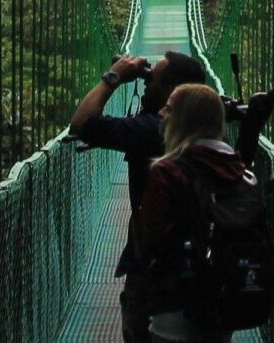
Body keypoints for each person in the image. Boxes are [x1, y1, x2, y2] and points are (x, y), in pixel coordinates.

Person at [69, 49, 211, 343]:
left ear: (172, 92)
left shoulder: (154, 133)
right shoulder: (207, 133)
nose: (145, 87)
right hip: (202, 265)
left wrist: (114, 78)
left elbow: (81, 124)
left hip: (154, 271)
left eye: (151, 82)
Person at [124, 83, 252, 343]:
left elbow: (148, 243)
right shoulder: (241, 172)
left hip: (172, 315)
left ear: (183, 119)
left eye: (169, 108)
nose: (161, 113)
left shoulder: (168, 172)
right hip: (222, 310)